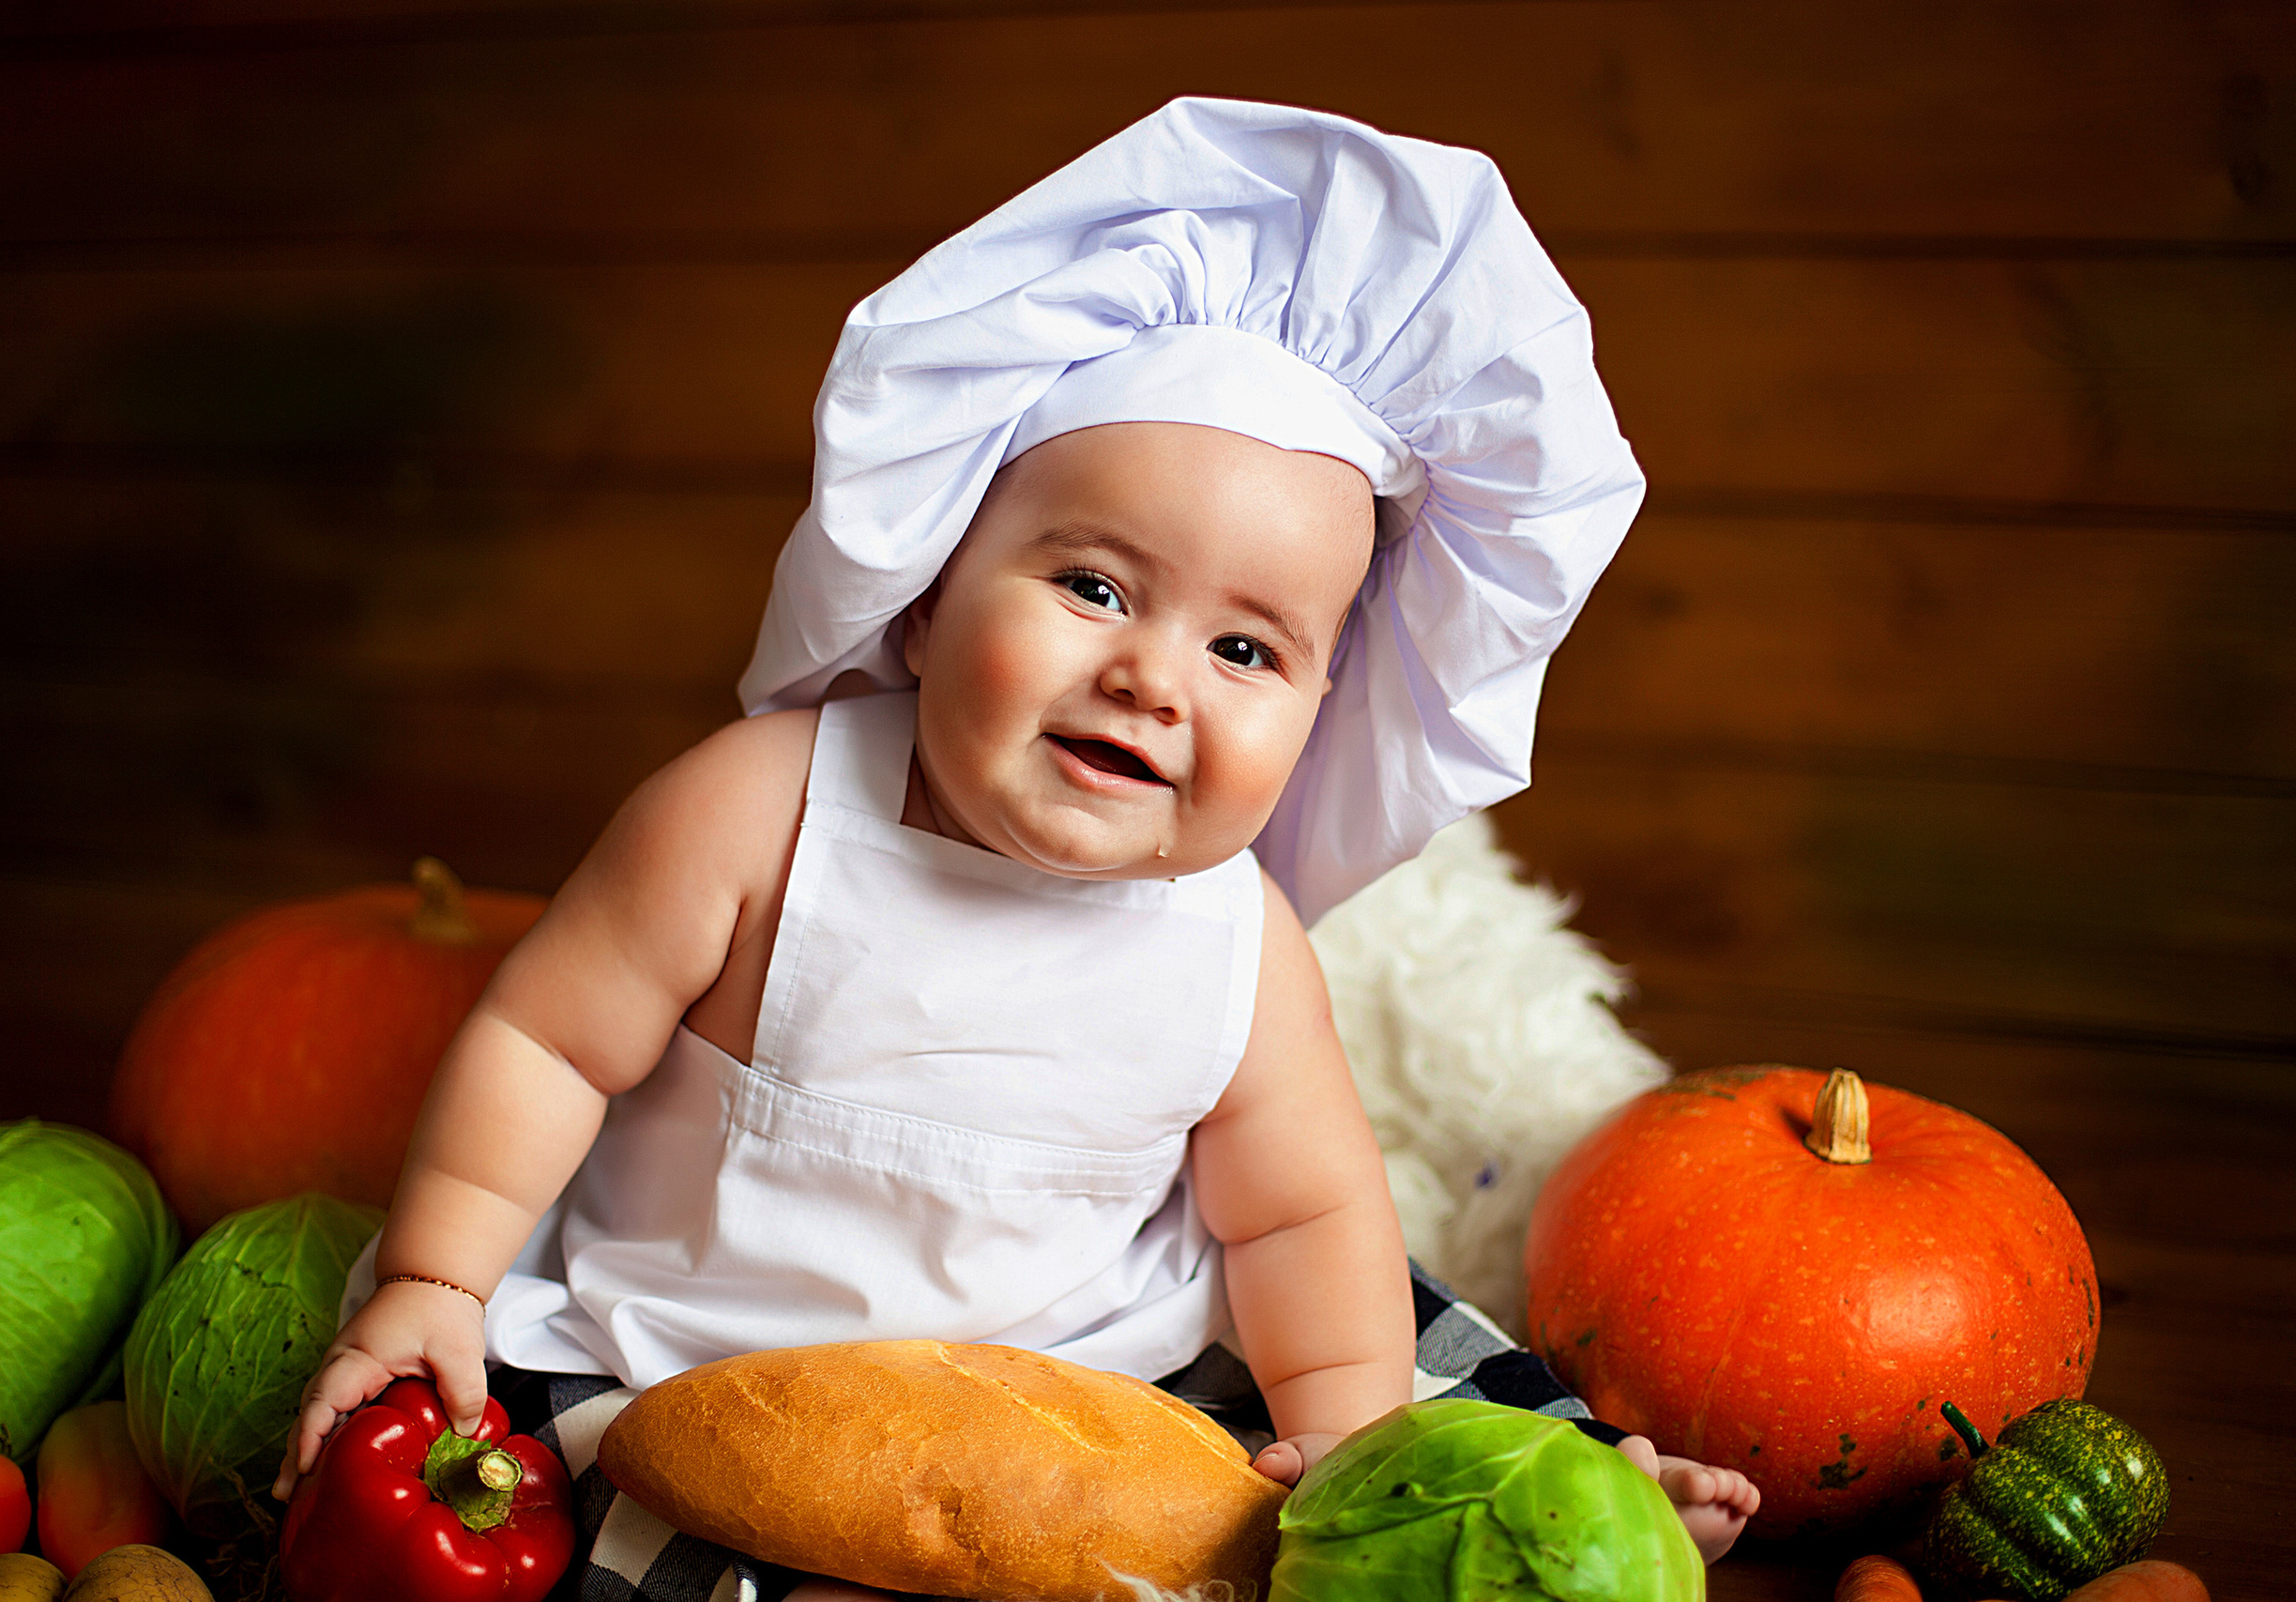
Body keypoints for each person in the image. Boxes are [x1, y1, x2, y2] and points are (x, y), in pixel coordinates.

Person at [274, 99, 1759, 1595]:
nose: (1153, 678)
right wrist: (436, 1275)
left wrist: (1364, 1452)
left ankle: (1553, 1507)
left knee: (1388, 1371)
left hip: (1088, 1403)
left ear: (1323, 712)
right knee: (621, 1537)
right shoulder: (760, 810)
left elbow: (1304, 1213)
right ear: (928, 595)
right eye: (1097, 588)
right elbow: (546, 1044)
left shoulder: (1237, 944)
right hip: (698, 1365)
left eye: (1246, 648)